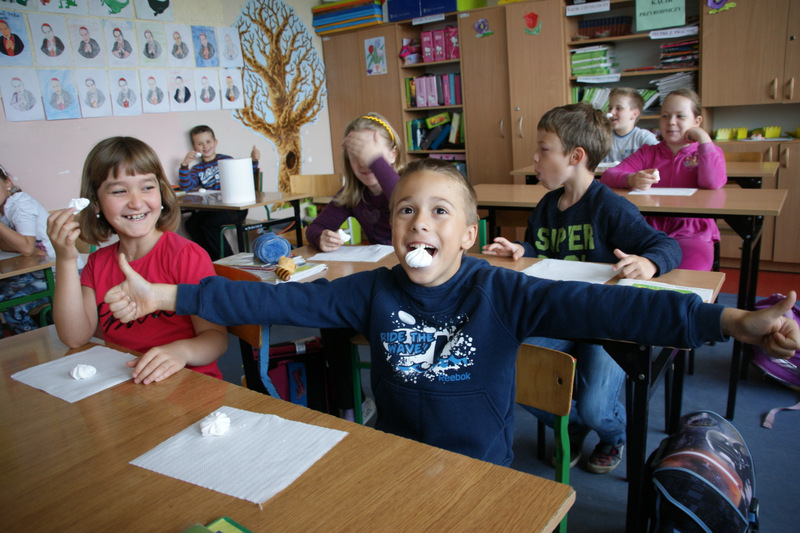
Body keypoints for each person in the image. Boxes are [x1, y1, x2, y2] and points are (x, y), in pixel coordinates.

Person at [104, 157, 799, 467]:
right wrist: (168, 296)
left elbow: (612, 307)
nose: (419, 222)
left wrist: (728, 321)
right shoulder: (371, 290)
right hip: (393, 456)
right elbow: (270, 298)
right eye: (406, 210)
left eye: (440, 211)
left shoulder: (503, 291)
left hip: (481, 468)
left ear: (468, 234)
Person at [482, 103, 682, 474]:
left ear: (576, 156)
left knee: (596, 407)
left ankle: (613, 435)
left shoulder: (609, 207)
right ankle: (571, 424)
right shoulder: (547, 205)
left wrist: (649, 263)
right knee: (507, 370)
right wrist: (521, 250)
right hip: (559, 316)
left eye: (544, 149)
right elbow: (542, 250)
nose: (535, 157)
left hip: (603, 322)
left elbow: (667, 246)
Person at [46, 137, 227, 384]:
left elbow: (216, 338)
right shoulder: (97, 263)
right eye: (119, 191)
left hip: (189, 384)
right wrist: (65, 259)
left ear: (161, 193)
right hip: (125, 385)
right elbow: (74, 338)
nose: (136, 202)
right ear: (96, 203)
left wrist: (181, 352)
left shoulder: (186, 256)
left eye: (147, 187)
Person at [306, 112, 404, 422]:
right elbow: (315, 227)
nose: (364, 162)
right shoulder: (354, 193)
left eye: (370, 153)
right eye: (355, 154)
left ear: (393, 154)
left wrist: (377, 162)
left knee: (390, 325)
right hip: (379, 282)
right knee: (332, 317)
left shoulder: (410, 183)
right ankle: (353, 402)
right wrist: (321, 237)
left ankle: (400, 406)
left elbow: (406, 201)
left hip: (413, 286)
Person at [601, 88, 727, 271]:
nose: (671, 122)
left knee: (687, 280)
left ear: (696, 121)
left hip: (692, 230)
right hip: (647, 229)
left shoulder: (708, 152)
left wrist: (702, 138)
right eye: (665, 116)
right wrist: (631, 179)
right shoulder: (648, 152)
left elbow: (712, 182)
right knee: (625, 272)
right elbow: (608, 175)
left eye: (680, 116)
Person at [178, 125, 260, 258]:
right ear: (194, 147)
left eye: (208, 141)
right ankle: (209, 258)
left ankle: (228, 259)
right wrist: (184, 165)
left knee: (207, 225)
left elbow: (245, 174)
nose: (205, 146)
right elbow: (186, 187)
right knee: (191, 224)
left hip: (234, 208)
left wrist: (254, 161)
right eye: (200, 143)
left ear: (215, 142)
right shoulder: (197, 169)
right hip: (214, 208)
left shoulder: (227, 160)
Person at [0, 164, 54, 334]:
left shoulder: (21, 204)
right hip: (32, 273)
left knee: (13, 307)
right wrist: (25, 248)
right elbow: (12, 245)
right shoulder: (3, 208)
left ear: (7, 182)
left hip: (57, 274)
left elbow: (26, 246)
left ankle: (35, 345)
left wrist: (26, 248)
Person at [604, 87, 658, 163]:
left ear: (634, 114)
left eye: (618, 108)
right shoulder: (604, 137)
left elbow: (660, 157)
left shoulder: (643, 137)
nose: (611, 112)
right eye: (610, 108)